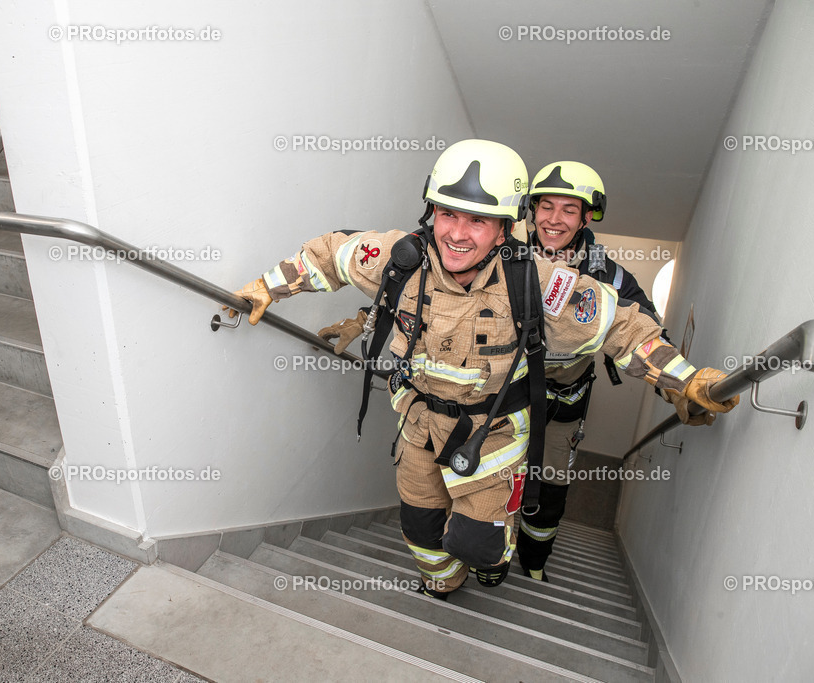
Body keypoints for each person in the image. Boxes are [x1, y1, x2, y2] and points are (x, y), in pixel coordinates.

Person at [228, 139, 737, 598]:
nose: (457, 233)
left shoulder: (537, 282)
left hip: (491, 435)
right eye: (448, 214)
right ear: (430, 211)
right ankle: (442, 582)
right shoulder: (397, 256)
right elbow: (329, 256)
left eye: (477, 220)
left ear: (504, 228)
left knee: (481, 547)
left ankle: (488, 557)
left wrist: (685, 381)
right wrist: (267, 287)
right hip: (417, 423)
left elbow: (625, 328)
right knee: (421, 530)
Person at [515, 161, 661, 581]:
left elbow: (645, 329)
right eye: (546, 206)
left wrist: (675, 384)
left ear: (586, 216)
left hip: (562, 406)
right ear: (531, 209)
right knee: (486, 475)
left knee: (548, 492)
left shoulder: (608, 275)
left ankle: (533, 564)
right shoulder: (503, 255)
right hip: (503, 393)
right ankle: (484, 552)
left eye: (568, 209)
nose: (554, 219)